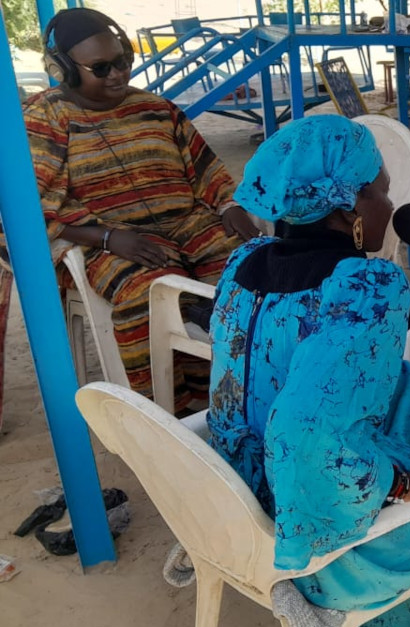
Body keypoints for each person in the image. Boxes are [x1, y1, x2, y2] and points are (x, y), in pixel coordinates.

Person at [207, 115, 410, 627]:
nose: (391, 206)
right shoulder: (365, 282)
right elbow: (305, 434)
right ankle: (365, 603)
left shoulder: (243, 261)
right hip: (309, 527)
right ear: (349, 208)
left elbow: (329, 342)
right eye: (382, 191)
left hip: (231, 497)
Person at [24, 7, 259, 408]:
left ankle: (224, 395)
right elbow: (32, 204)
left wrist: (228, 204)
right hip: (105, 237)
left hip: (187, 221)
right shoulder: (45, 118)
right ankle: (167, 407)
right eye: (101, 68)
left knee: (249, 270)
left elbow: (204, 167)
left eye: (122, 61)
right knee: (150, 293)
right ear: (65, 68)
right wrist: (109, 238)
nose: (117, 74)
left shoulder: (156, 108)